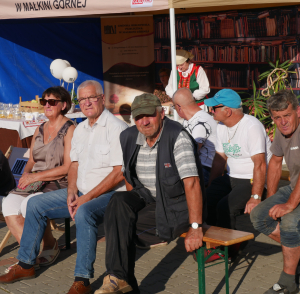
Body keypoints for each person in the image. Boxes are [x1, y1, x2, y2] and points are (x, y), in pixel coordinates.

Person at [0, 80, 128, 294]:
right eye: (83, 99)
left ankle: (82, 280)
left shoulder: (116, 128)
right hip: (80, 191)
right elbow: (74, 165)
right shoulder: (82, 129)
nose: (87, 103)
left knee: (84, 212)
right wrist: (71, 192)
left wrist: (85, 198)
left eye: (92, 98)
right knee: (35, 204)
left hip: (109, 194)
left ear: (102, 99)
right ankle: (26, 264)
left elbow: (118, 173)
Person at [95, 93, 206, 294]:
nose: (144, 122)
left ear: (162, 114)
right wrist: (130, 208)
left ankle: (120, 280)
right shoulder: (128, 136)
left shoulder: (177, 137)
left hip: (176, 205)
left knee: (122, 228)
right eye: (138, 117)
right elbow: (128, 174)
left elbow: (192, 182)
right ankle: (119, 278)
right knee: (118, 201)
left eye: (149, 116)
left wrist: (195, 227)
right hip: (148, 198)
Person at [3, 86, 75, 266]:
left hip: (59, 182)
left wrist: (35, 177)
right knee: (9, 204)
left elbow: (68, 167)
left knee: (30, 204)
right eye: (44, 101)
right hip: (37, 180)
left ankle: (49, 245)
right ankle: (30, 255)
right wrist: (26, 175)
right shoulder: (40, 128)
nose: (47, 105)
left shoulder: (70, 129)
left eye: (52, 101)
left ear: (63, 105)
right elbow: (32, 160)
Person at [251, 90, 300, 294]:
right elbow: (275, 162)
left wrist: (289, 204)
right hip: (294, 186)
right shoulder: (281, 131)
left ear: (298, 111)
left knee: (289, 222)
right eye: (277, 118)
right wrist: (271, 198)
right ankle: (295, 251)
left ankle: (288, 282)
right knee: (259, 216)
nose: (283, 122)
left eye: (287, 115)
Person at [204, 89, 272, 231]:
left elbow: (260, 164)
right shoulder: (221, 126)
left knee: (225, 207)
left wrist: (255, 196)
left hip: (252, 180)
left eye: (214, 108)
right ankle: (211, 242)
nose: (210, 111)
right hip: (231, 177)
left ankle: (230, 249)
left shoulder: (252, 127)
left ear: (228, 111)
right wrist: (211, 185)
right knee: (206, 199)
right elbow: (219, 159)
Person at [173, 87, 217, 186]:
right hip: (196, 167)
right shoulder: (190, 119)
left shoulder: (201, 121)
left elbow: (191, 150)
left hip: (203, 170)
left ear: (179, 107)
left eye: (174, 107)